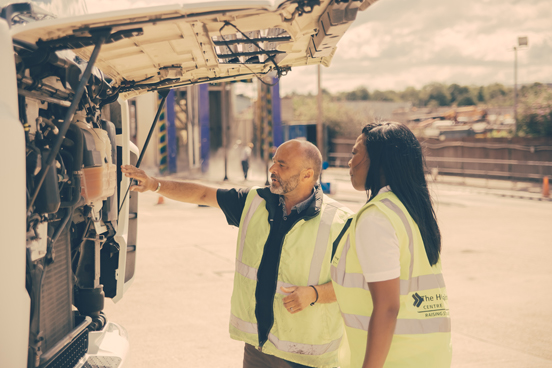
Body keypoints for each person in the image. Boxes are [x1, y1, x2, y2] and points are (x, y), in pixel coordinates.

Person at [121, 139, 352, 368]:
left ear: (307, 175)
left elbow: (357, 285)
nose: (272, 169)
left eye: (282, 165)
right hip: (259, 349)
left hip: (307, 356)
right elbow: (202, 195)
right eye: (274, 162)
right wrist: (154, 185)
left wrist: (315, 294)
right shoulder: (256, 201)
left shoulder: (338, 221)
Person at [330, 122, 452, 368]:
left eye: (355, 153)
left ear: (378, 161)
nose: (349, 162)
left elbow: (387, 308)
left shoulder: (377, 217)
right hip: (429, 357)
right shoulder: (412, 210)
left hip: (395, 360)